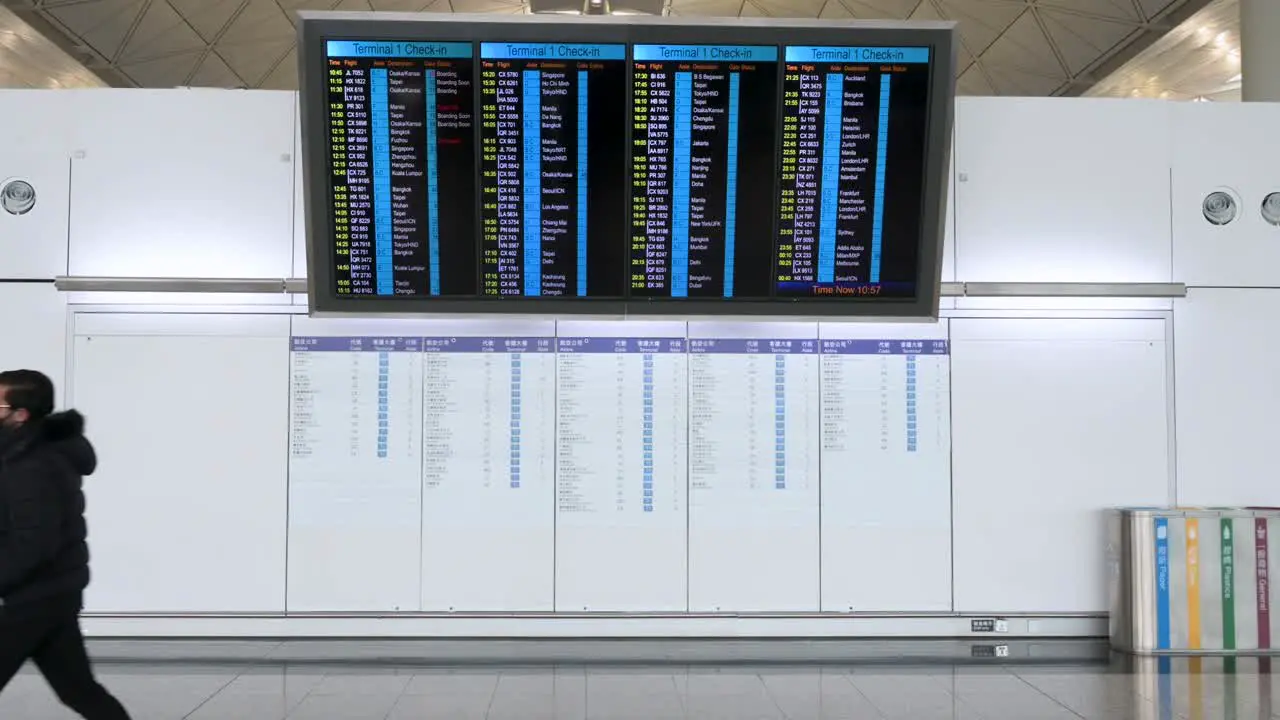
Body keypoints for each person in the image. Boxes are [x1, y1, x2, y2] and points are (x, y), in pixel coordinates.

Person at [0, 369, 130, 719]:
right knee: (79, 690)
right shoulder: (29, 452)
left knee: (80, 691)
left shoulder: (30, 464)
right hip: (52, 593)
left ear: (19, 415)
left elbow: (34, 543)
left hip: (30, 599)